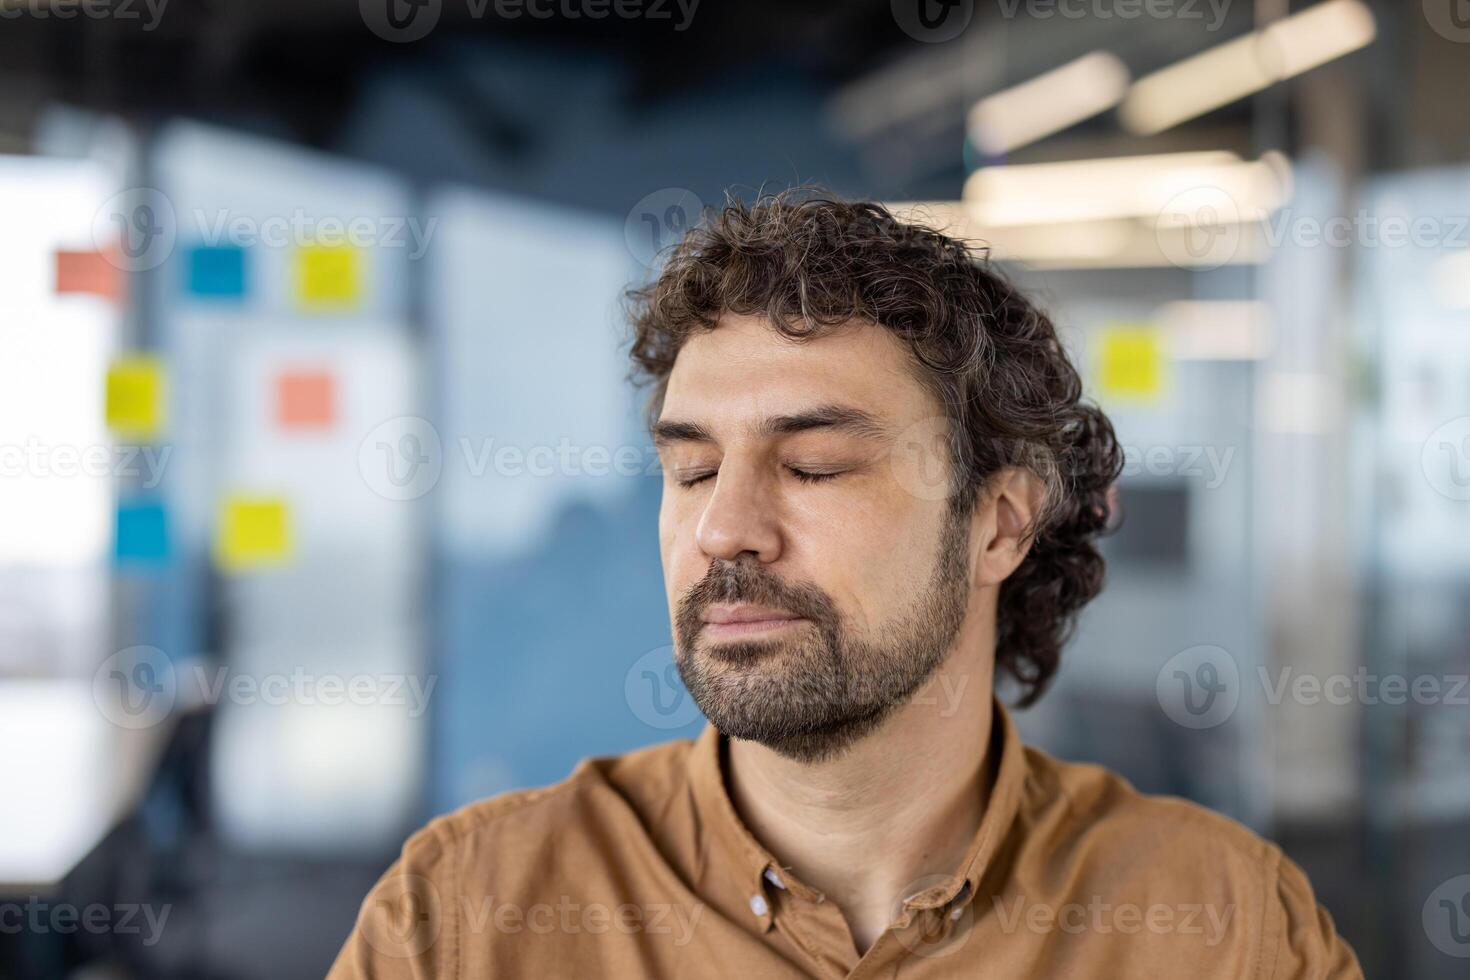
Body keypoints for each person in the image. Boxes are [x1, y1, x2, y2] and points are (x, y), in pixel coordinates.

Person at [327, 192, 1362, 978]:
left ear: (999, 520)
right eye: (691, 469)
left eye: (813, 464)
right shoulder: (462, 920)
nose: (724, 526)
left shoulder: (1226, 926)